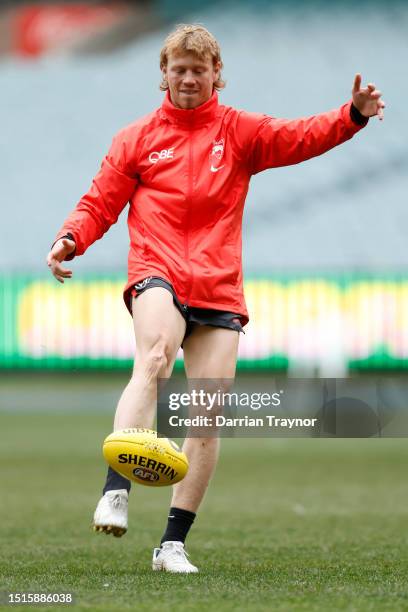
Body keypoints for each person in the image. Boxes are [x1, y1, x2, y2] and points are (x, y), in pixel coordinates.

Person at [46, 24, 385, 573]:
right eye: (178, 69)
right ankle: (116, 489)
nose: (187, 78)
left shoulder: (240, 131)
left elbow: (299, 136)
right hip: (157, 270)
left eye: (198, 70)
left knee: (207, 413)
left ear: (215, 75)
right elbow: (101, 199)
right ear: (163, 74)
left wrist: (352, 116)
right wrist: (70, 238)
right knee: (154, 355)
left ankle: (172, 545)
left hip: (218, 283)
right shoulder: (135, 138)